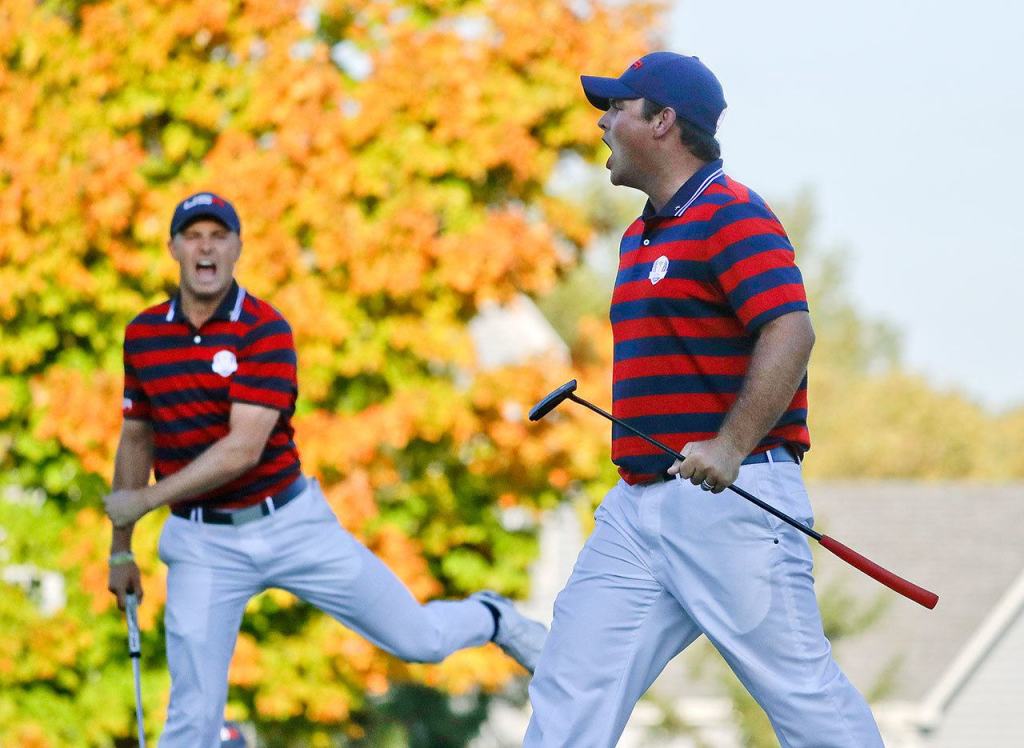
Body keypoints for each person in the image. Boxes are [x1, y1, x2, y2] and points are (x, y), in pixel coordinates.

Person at [524, 53, 884, 747]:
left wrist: (730, 445)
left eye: (617, 107)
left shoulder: (731, 214)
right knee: (571, 682)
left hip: (732, 498)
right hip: (637, 508)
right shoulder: (639, 236)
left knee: (803, 699)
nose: (602, 123)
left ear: (663, 121)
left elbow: (790, 330)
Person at [103, 192, 547, 747]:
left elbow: (242, 449)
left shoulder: (264, 329)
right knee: (191, 722)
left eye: (218, 236)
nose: (206, 248)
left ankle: (492, 617)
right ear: (173, 248)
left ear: (237, 247)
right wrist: (121, 550)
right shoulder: (144, 335)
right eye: (193, 236)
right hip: (202, 542)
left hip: (290, 523)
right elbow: (137, 435)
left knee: (421, 641)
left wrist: (145, 501)